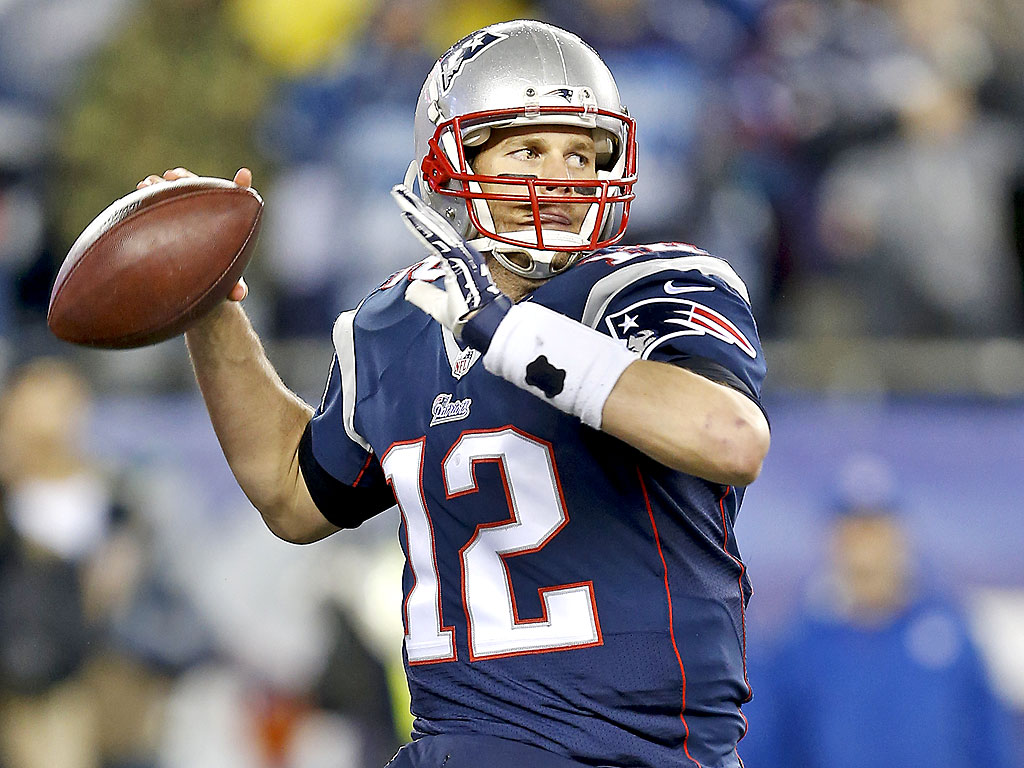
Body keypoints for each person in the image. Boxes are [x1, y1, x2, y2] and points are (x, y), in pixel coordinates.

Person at [137, 20, 770, 768]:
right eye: (528, 149)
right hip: (452, 746)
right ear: (450, 160)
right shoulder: (397, 321)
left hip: (632, 752)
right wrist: (211, 310)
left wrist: (508, 334)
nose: (562, 177)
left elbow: (728, 438)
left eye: (581, 152)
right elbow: (291, 494)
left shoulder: (650, 286)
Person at [740, 458, 1020, 768]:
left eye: (876, 530)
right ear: (832, 542)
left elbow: (991, 743)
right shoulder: (798, 647)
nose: (866, 551)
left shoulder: (949, 636)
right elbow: (772, 751)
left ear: (901, 536)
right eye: (854, 533)